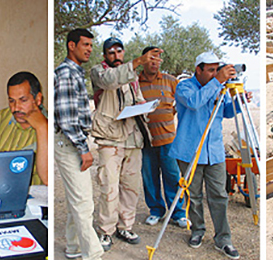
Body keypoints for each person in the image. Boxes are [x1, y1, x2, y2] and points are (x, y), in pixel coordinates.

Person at [90, 37, 161, 250]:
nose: (116, 56)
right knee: (109, 187)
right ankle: (106, 231)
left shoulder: (131, 77)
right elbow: (110, 81)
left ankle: (125, 226)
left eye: (119, 52)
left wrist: (145, 106)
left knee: (130, 188)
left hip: (132, 138)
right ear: (105, 56)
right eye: (111, 53)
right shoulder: (99, 72)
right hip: (109, 138)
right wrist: (138, 62)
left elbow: (136, 98)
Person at [168, 52, 241, 259]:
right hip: (189, 151)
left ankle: (223, 239)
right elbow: (194, 102)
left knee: (219, 195)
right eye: (210, 70)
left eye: (216, 70)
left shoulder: (219, 87)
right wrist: (218, 81)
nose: (214, 74)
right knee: (194, 196)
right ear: (198, 69)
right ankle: (197, 231)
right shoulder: (184, 87)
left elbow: (225, 111)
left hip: (215, 152)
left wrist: (237, 102)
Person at [54, 28, 103, 260]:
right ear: (71, 46)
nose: (89, 49)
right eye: (85, 45)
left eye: (91, 46)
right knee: (84, 202)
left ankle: (74, 247)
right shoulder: (66, 73)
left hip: (71, 141)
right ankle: (93, 255)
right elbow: (66, 119)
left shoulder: (75, 72)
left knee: (78, 196)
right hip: (69, 143)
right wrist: (84, 150)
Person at [137, 46, 188, 228]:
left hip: (168, 141)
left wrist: (170, 112)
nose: (154, 62)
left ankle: (178, 213)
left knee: (172, 177)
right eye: (151, 58)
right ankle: (156, 211)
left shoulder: (170, 81)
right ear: (143, 60)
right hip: (145, 142)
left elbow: (183, 102)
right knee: (149, 178)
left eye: (158, 59)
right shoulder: (135, 82)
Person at [0, 72, 48, 186]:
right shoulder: (1, 118)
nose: (16, 108)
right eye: (11, 101)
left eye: (23, 100)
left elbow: (47, 178)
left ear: (38, 99)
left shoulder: (50, 126)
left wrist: (42, 128)